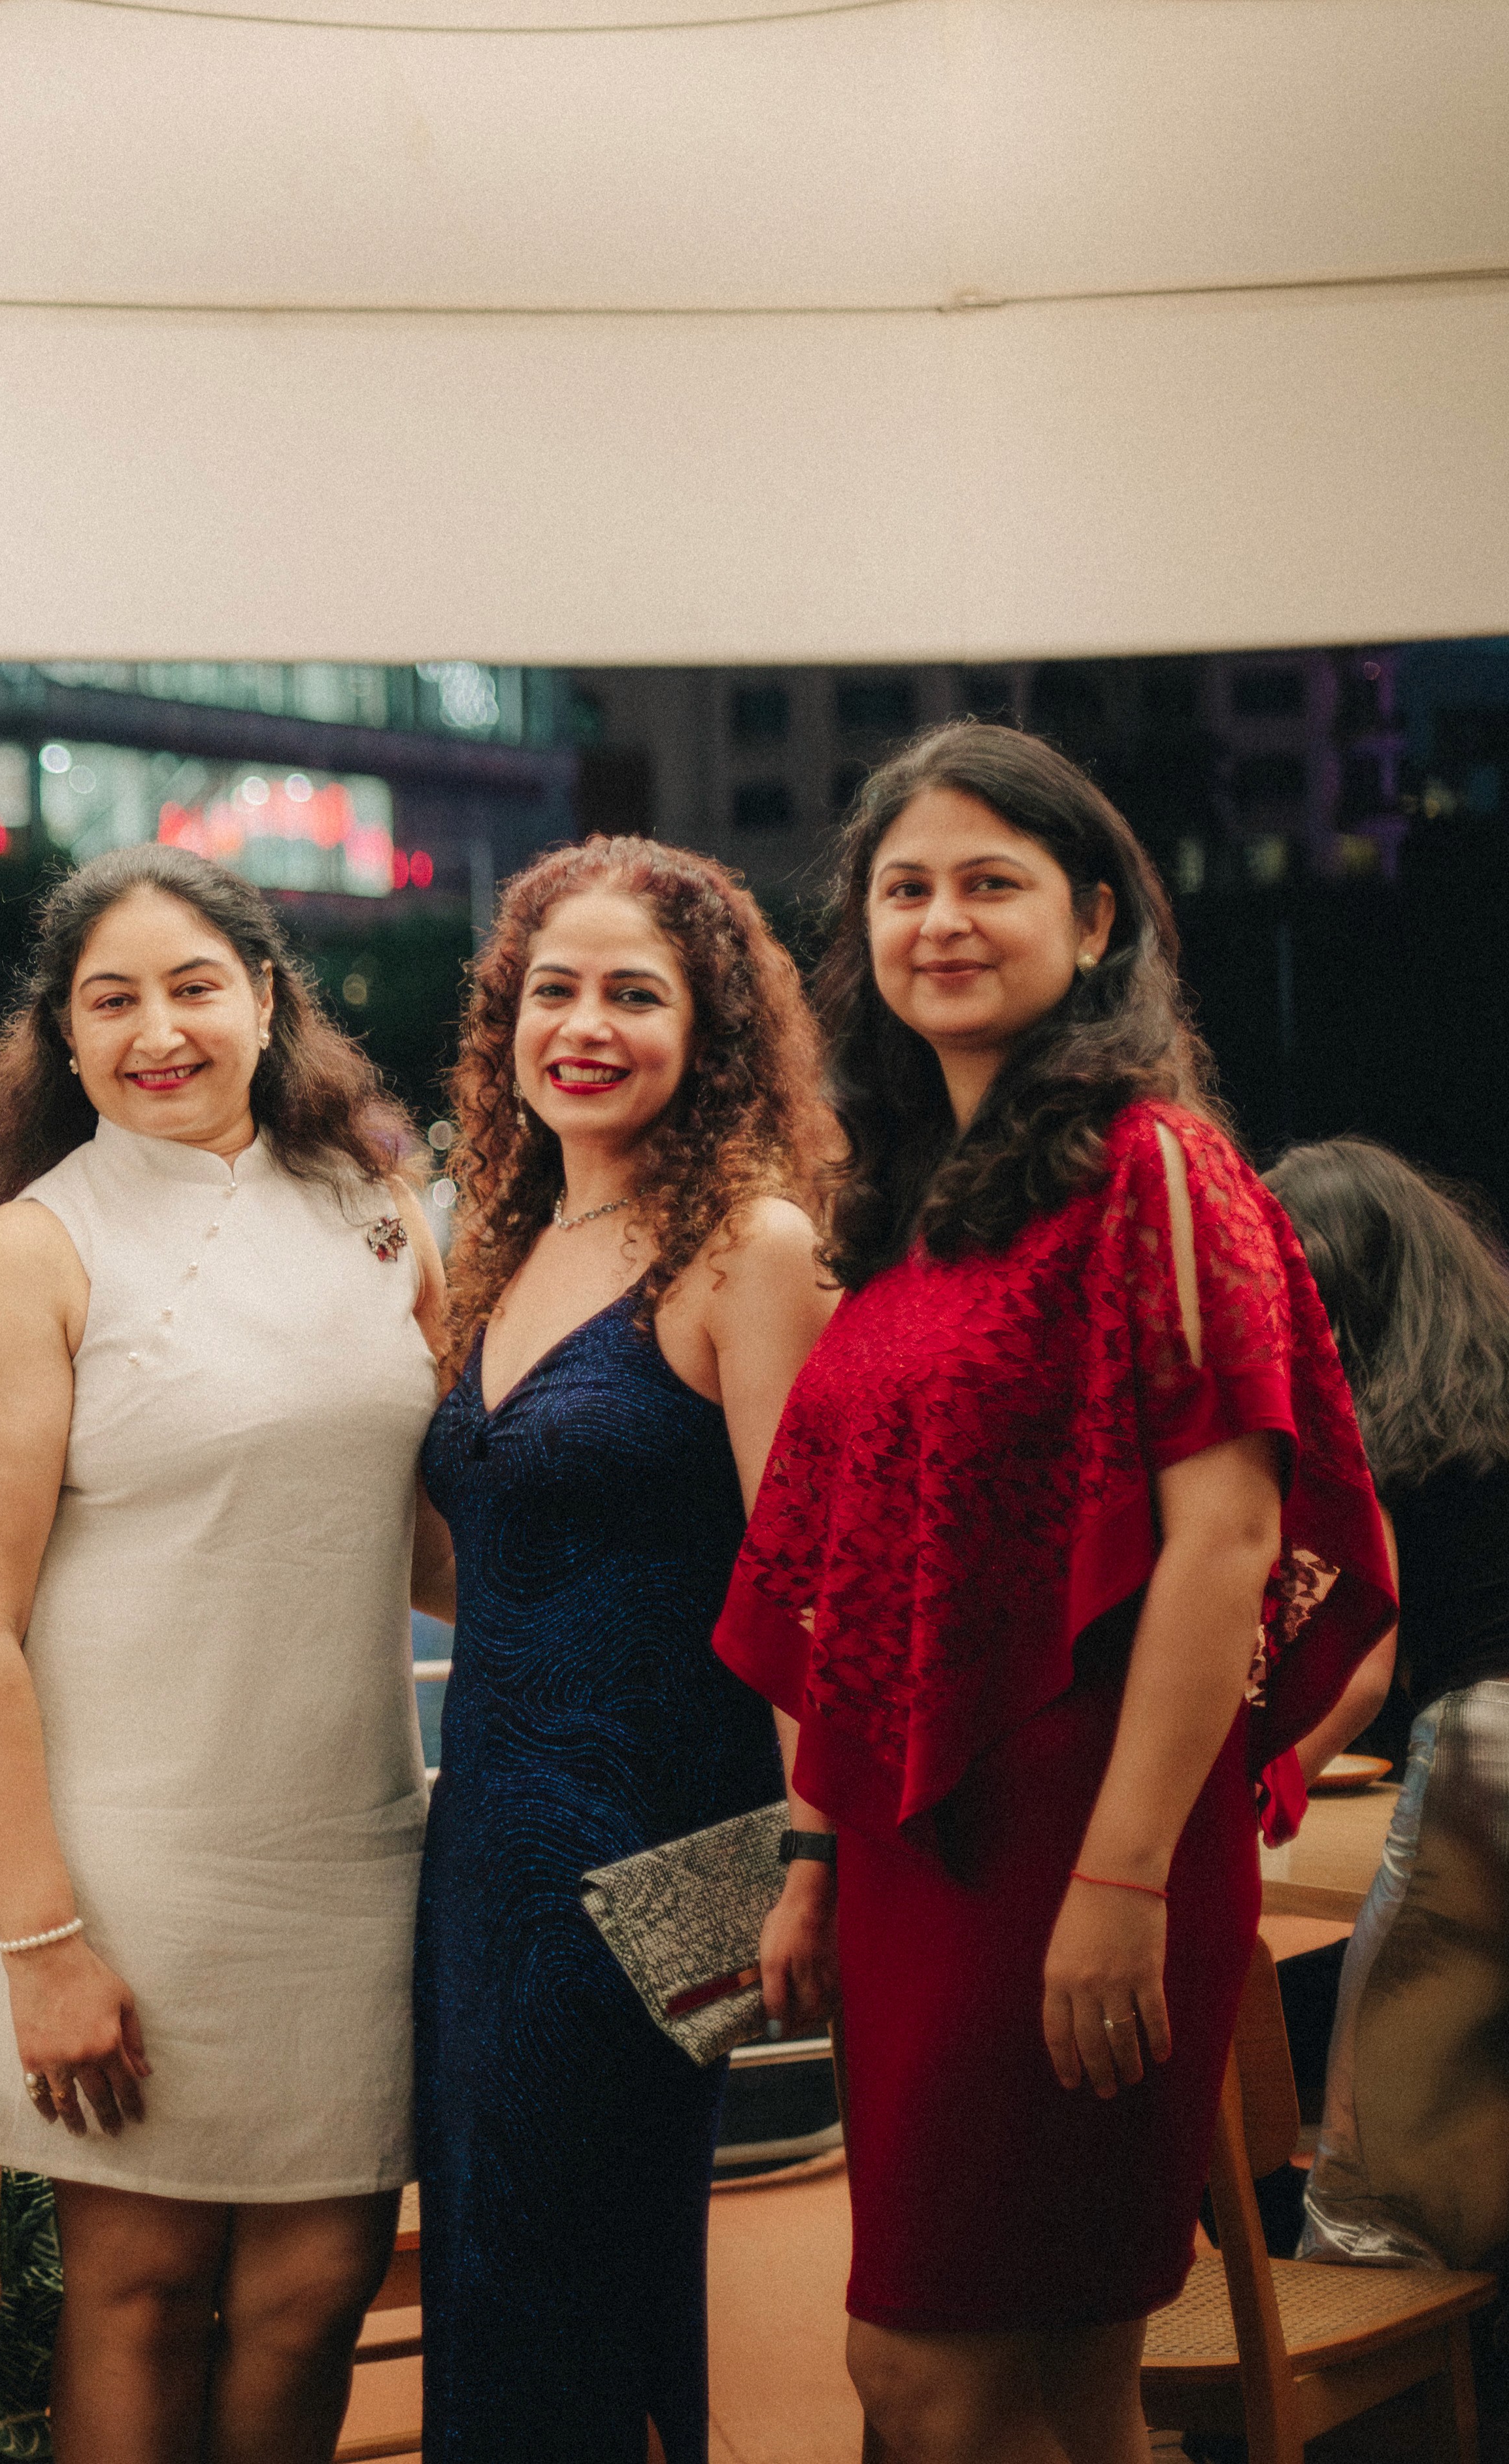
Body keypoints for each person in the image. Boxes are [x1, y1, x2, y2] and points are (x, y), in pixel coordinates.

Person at [718, 721, 1391, 2464]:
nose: (941, 918)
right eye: (904, 885)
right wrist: (810, 1857)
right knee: (1074, 2381)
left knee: (922, 2379)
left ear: (1096, 921)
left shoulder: (1153, 1167)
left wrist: (1120, 1876)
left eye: (990, 881)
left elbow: (1232, 1543)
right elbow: (854, 1580)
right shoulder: (914, 1217)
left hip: (1080, 1845)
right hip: (918, 1857)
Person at [0, 844, 442, 2464]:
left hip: (349, 1843)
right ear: (61, 1043)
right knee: (135, 2289)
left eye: (195, 984)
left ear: (266, 1001)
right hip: (121, 1863)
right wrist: (40, 1936)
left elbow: (431, 1538)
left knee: (318, 2285)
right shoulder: (34, 1249)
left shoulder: (376, 1216)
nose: (159, 1027)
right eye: (111, 999)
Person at [407, 839, 833, 2464]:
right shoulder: (497, 1248)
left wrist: (811, 1853)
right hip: (484, 1830)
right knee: (498, 2267)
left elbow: (800, 1582)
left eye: (632, 994)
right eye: (551, 989)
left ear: (709, 1028)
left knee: (579, 2276)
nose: (583, 1024)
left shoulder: (749, 1245)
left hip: (673, 1842)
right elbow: (487, 1563)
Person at [1262, 1138, 1509, 2325]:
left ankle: (1349, 2400)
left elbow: (1360, 1672)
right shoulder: (1488, 1365)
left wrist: (1254, 1790)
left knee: (1385, 2139)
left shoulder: (1374, 1415)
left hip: (1492, 1738)